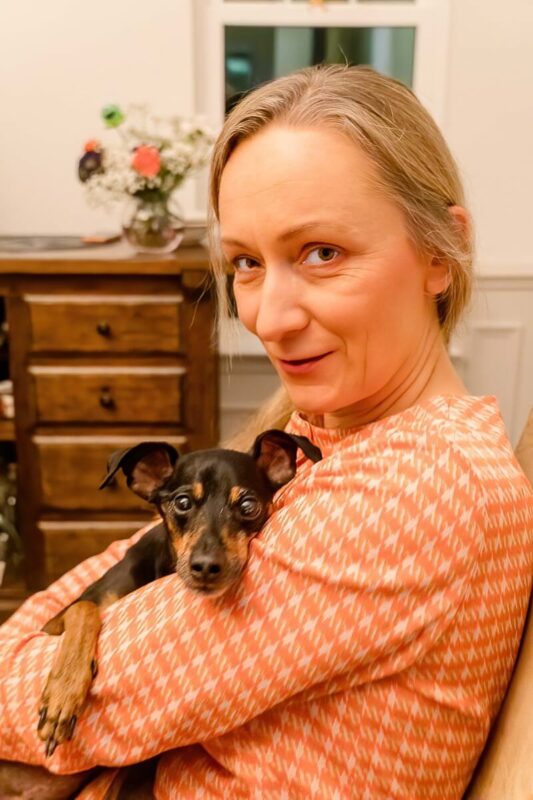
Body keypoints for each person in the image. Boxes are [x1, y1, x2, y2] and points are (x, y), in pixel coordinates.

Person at [1, 64, 532, 799]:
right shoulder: (322, 436)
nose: (268, 319)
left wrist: (20, 650)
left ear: (439, 253)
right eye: (246, 263)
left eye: (322, 252)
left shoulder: (413, 488)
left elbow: (54, 709)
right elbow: (119, 568)